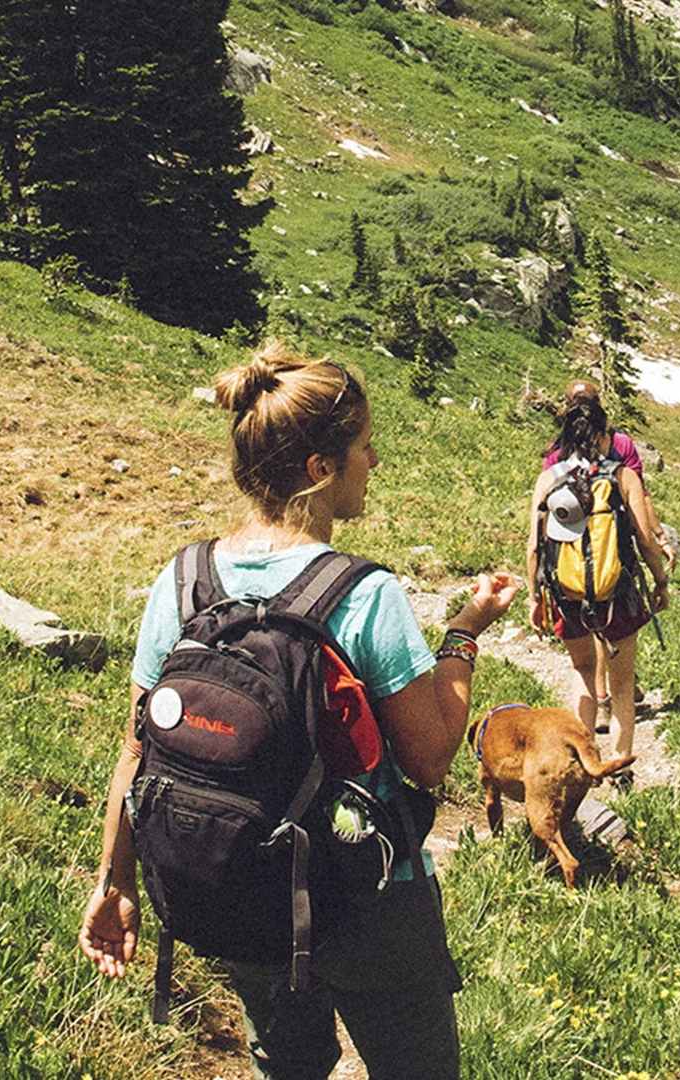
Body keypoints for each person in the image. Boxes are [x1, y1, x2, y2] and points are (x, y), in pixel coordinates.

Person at [79, 342, 516, 1080]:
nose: (373, 462)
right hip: (366, 899)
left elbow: (136, 749)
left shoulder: (184, 580)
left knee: (285, 1065)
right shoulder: (362, 594)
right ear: (321, 470)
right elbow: (433, 756)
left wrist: (114, 883)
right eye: (363, 449)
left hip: (239, 888)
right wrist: (464, 636)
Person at [527, 385, 670, 763]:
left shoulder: (548, 477)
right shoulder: (623, 476)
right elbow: (644, 539)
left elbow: (534, 547)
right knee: (623, 686)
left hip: (566, 593)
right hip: (617, 591)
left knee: (583, 672)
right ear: (604, 433)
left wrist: (534, 598)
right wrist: (660, 582)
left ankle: (582, 763)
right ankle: (621, 767)